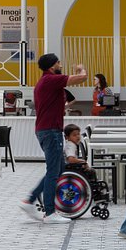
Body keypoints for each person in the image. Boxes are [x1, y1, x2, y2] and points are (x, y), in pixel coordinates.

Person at [20, 53, 88, 224]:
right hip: (51, 131)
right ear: (51, 66)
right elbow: (82, 78)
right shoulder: (51, 79)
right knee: (53, 172)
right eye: (58, 63)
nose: (61, 65)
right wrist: (81, 69)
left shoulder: (44, 83)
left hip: (46, 129)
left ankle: (30, 200)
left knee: (58, 169)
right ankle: (49, 213)